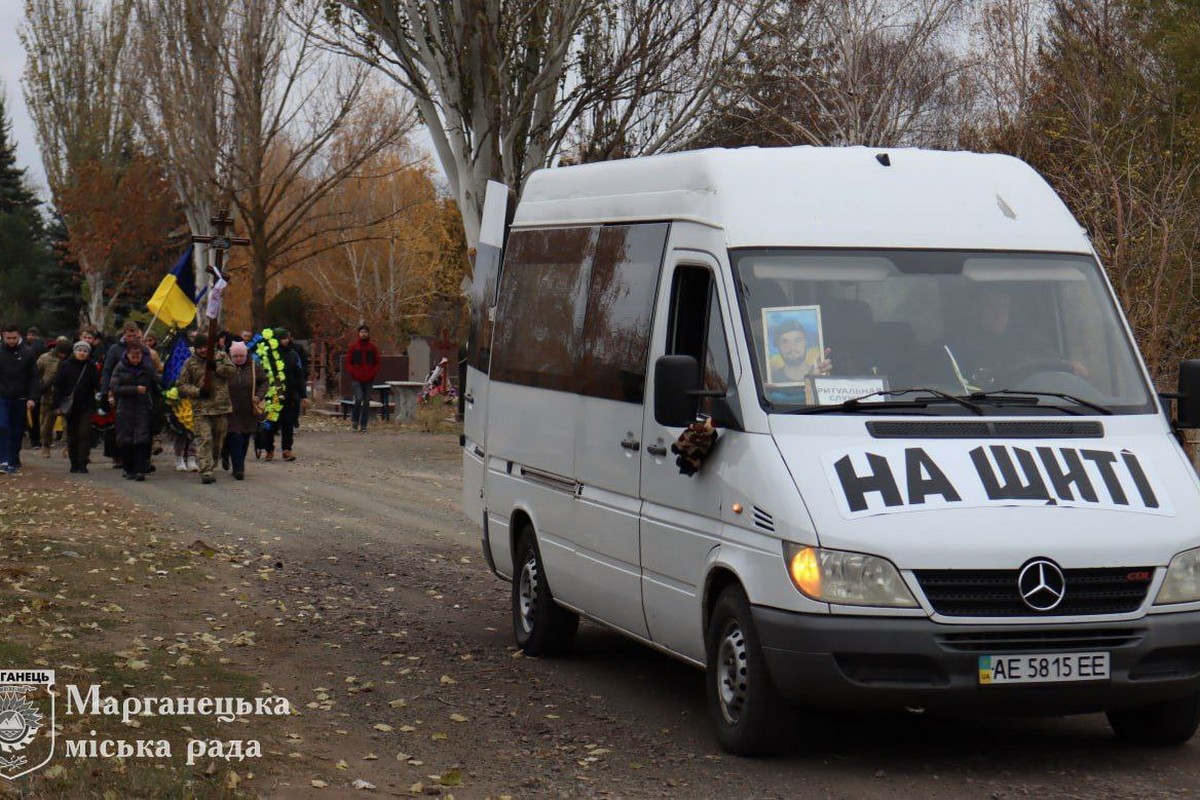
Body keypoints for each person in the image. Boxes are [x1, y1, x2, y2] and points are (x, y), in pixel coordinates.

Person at [175, 333, 235, 484]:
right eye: (199, 348)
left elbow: (232, 372)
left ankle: (212, 463)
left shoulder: (221, 356)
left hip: (221, 407)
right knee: (204, 439)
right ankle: (206, 470)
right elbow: (181, 385)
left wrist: (217, 367)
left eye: (205, 347)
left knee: (217, 441)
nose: (202, 350)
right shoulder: (190, 363)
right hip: (201, 409)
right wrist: (198, 392)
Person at [101, 321, 154, 469]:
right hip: (120, 390)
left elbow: (150, 369)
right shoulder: (115, 349)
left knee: (142, 427)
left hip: (142, 392)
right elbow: (107, 370)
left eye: (134, 334)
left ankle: (141, 459)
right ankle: (118, 456)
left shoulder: (143, 349)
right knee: (120, 427)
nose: (132, 337)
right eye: (129, 334)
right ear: (124, 334)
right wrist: (105, 391)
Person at [109, 343, 158, 480]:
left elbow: (155, 382)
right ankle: (128, 467)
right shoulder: (120, 367)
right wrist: (135, 389)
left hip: (142, 407)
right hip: (125, 407)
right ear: (128, 355)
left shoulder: (147, 367)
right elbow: (115, 387)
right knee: (126, 440)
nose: (136, 360)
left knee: (142, 439)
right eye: (133, 357)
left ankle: (139, 469)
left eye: (138, 357)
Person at [53, 341, 100, 473]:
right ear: (74, 351)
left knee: (85, 433)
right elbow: (58, 386)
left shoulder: (91, 367)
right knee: (72, 434)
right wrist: (56, 405)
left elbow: (97, 384)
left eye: (85, 351)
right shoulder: (65, 366)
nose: (82, 353)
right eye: (79, 350)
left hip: (87, 405)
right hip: (70, 406)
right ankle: (73, 462)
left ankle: (83, 462)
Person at [263, 328, 308, 462]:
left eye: (287, 337)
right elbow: (263, 375)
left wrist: (303, 395)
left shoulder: (293, 354)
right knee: (271, 424)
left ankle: (286, 449)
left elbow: (299, 375)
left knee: (288, 423)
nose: (286, 340)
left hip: (290, 394)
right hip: (273, 394)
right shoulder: (269, 355)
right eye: (283, 338)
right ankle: (269, 449)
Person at [0, 322, 38, 474]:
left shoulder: (28, 352)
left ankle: (12, 458)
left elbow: (34, 377)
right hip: (2, 396)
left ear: (19, 336)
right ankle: (3, 459)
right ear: (3, 336)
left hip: (21, 397)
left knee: (16, 430)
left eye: (14, 338)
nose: (11, 341)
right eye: (8, 338)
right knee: (2, 426)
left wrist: (32, 397)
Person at [225, 341, 266, 480]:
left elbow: (265, 382)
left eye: (241, 356)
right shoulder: (225, 367)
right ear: (231, 356)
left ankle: (238, 462)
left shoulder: (255, 368)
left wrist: (259, 396)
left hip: (248, 410)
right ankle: (238, 468)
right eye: (235, 356)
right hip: (230, 409)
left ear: (246, 355)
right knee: (234, 436)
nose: (238, 359)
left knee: (244, 438)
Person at [35, 337, 70, 457]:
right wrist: (40, 387)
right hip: (49, 395)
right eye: (61, 353)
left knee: (68, 424)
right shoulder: (45, 358)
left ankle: (67, 446)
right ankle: (46, 446)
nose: (63, 355)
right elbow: (36, 374)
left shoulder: (71, 359)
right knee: (46, 424)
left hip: (66, 395)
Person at [345, 324, 381, 433]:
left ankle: (364, 425)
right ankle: (355, 421)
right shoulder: (353, 347)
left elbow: (377, 363)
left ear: (368, 333)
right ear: (358, 334)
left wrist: (373, 372)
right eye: (362, 332)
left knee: (366, 401)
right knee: (359, 398)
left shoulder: (373, 347)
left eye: (365, 332)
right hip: (356, 378)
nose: (363, 334)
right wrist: (353, 371)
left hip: (369, 378)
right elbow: (348, 362)